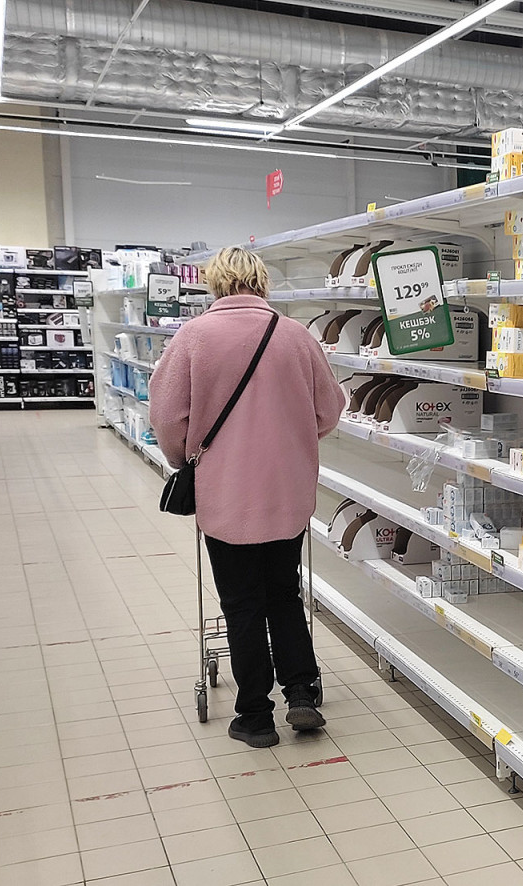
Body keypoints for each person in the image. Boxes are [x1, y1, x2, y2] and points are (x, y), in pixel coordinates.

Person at [150, 247, 346, 748]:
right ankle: (301, 692)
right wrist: (293, 437)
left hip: (224, 495)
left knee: (240, 604)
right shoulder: (296, 336)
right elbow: (329, 410)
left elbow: (169, 417)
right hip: (287, 491)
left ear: (215, 284)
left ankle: (255, 716)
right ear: (262, 283)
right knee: (284, 593)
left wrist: (184, 458)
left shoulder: (192, 337)